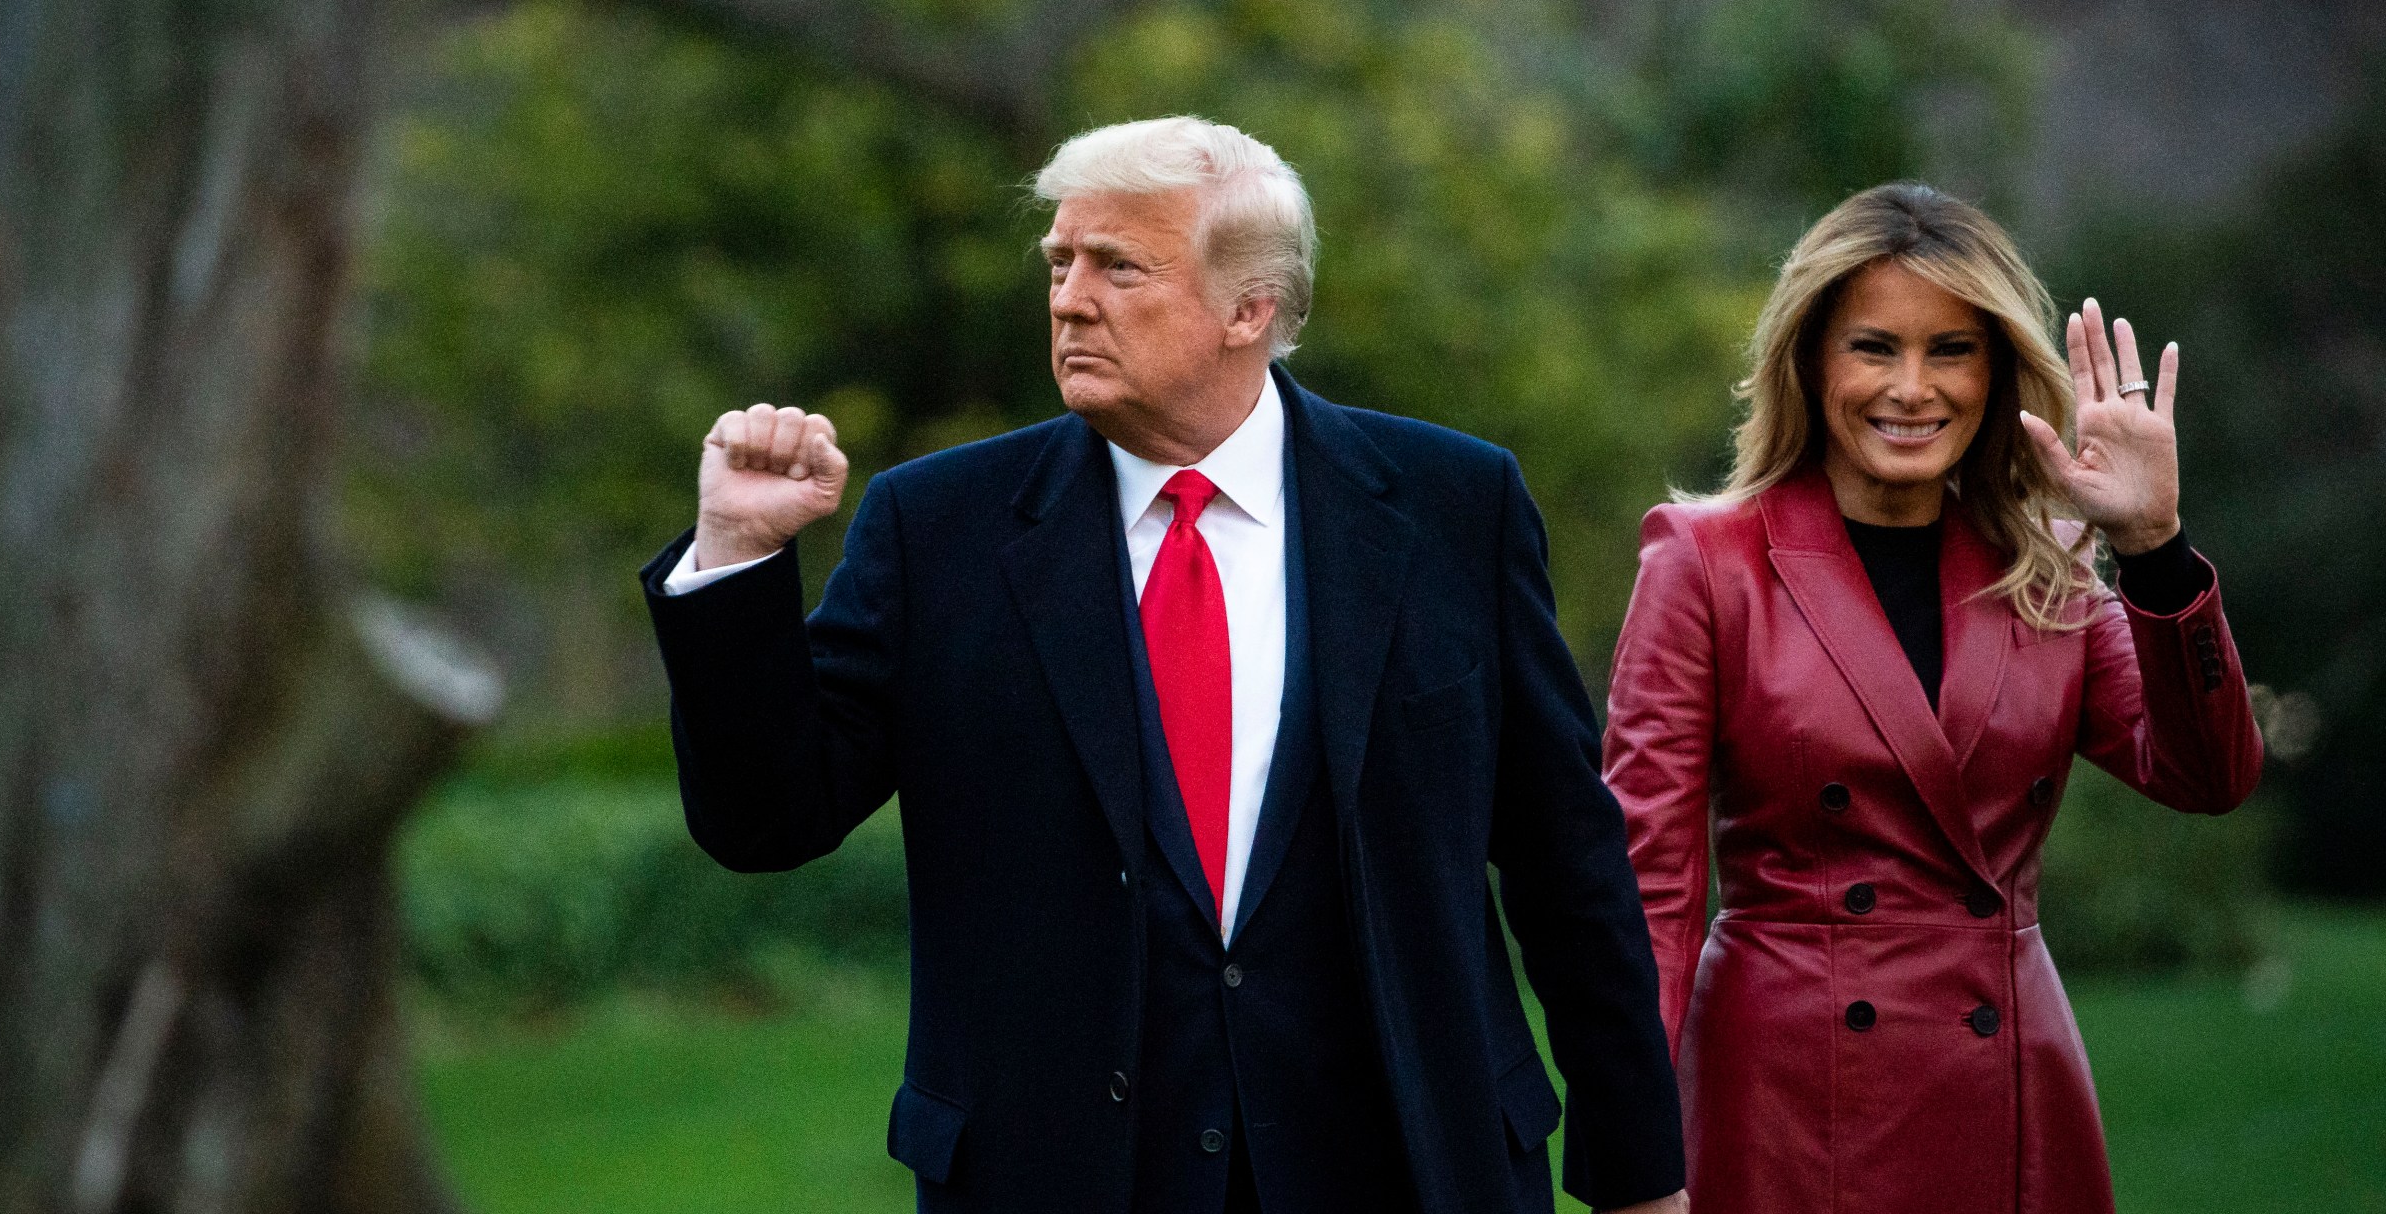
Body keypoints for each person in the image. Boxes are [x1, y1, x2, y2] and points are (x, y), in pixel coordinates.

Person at [639, 117, 1687, 1214]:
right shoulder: (938, 528)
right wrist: (738, 561)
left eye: (1118, 266)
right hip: (1061, 1174)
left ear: (1251, 308)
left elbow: (1568, 861)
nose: (1069, 298)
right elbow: (765, 820)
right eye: (1059, 261)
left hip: (1410, 1163)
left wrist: (1639, 1174)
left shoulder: (1450, 507)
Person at [1603, 183, 2263, 1214]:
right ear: (1812, 362)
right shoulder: (1704, 562)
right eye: (1874, 347)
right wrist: (1632, 1161)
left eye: (1950, 349)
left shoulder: (2045, 568)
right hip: (1782, 1097)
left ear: (1996, 372)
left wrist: (2152, 547)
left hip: (2006, 1091)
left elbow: (2208, 774)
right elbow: (1649, 887)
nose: (1911, 388)